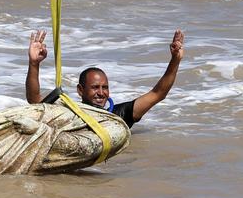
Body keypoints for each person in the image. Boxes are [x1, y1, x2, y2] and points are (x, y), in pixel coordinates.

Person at [25, 29, 185, 128]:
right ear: (80, 90)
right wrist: (34, 64)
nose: (101, 93)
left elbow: (158, 93)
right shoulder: (69, 111)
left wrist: (175, 60)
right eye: (95, 87)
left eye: (105, 87)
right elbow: (35, 101)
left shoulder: (118, 115)